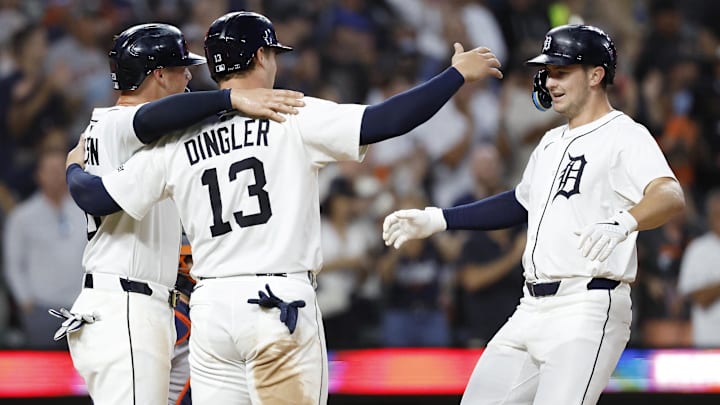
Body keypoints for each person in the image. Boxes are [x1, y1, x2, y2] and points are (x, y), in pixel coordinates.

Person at [64, 10, 502, 404]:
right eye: (272, 54)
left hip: (212, 312)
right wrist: (456, 75)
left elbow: (100, 197)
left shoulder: (178, 138)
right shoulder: (290, 112)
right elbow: (387, 121)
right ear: (261, 57)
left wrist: (74, 168)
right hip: (276, 305)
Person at [382, 24, 685, 404]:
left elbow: (670, 194)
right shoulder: (550, 141)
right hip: (530, 308)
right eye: (548, 71)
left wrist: (626, 221)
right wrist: (440, 219)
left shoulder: (624, 134)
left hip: (587, 304)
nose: (550, 81)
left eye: (562, 71)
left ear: (596, 75)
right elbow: (519, 202)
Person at [56, 23, 304, 405]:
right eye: (180, 68)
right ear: (157, 74)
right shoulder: (117, 122)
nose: (189, 75)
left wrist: (73, 170)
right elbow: (152, 119)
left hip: (147, 302)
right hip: (124, 305)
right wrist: (231, 98)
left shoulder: (125, 138)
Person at [3, 148, 86, 349]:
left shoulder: (85, 210)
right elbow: (13, 264)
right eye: (50, 170)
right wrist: (26, 301)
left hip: (81, 306)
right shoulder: (22, 216)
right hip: (41, 309)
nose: (56, 175)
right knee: (46, 372)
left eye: (61, 169)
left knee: (83, 373)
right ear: (39, 175)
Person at [678, 189, 720, 348]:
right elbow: (699, 298)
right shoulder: (698, 249)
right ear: (709, 217)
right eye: (717, 214)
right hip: (708, 341)